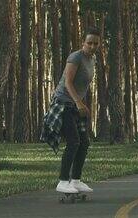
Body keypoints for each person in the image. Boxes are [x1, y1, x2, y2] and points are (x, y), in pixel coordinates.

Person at [45, 27, 100, 194]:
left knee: (84, 142)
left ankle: (75, 180)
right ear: (83, 43)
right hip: (63, 103)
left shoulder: (92, 60)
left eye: (95, 43)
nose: (92, 46)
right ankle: (63, 181)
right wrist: (78, 102)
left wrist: (81, 103)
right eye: (89, 43)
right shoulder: (76, 57)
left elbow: (82, 84)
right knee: (73, 141)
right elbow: (68, 82)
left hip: (75, 104)